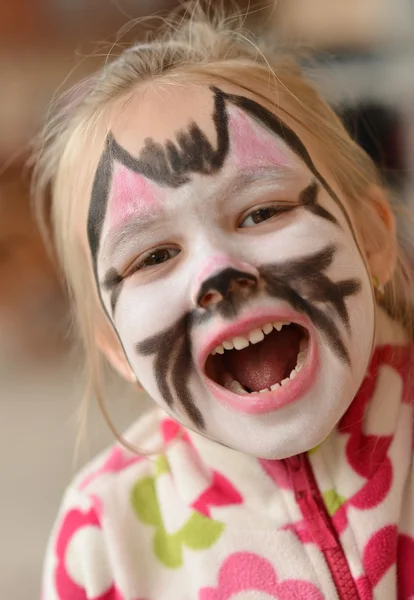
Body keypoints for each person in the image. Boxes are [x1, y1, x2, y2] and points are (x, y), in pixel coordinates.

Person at [36, 5, 414, 599]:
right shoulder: (107, 536)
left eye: (262, 211)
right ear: (116, 348)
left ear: (373, 238)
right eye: (153, 256)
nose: (218, 272)